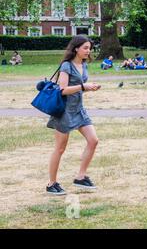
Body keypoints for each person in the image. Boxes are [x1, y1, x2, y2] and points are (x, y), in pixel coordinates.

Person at [46, 36, 101, 195]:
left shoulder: (83, 64)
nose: (88, 51)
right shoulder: (66, 66)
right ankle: (51, 183)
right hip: (64, 111)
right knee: (60, 148)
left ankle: (81, 177)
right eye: (85, 48)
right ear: (76, 48)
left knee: (93, 140)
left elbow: (80, 87)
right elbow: (62, 90)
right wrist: (84, 87)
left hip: (79, 109)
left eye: (89, 48)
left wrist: (91, 87)